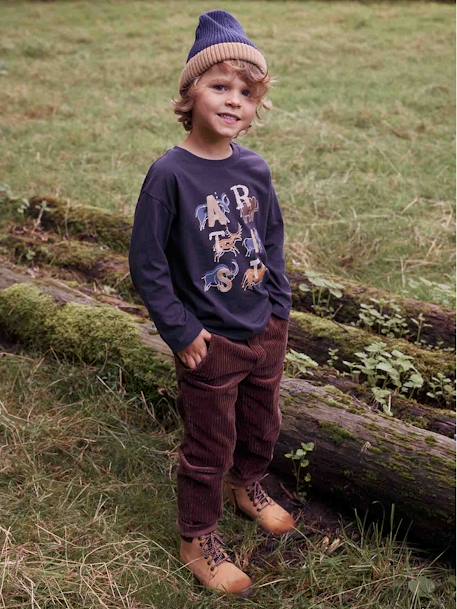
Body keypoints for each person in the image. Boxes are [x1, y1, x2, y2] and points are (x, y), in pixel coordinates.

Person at [129, 9, 295, 597]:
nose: (233, 102)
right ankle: (197, 538)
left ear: (257, 105)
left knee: (262, 423)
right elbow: (148, 266)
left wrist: (279, 308)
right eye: (219, 86)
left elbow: (270, 237)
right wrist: (181, 332)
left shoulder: (254, 169)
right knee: (209, 445)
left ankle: (248, 485)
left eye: (245, 93)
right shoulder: (169, 176)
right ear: (190, 92)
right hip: (210, 344)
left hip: (263, 330)